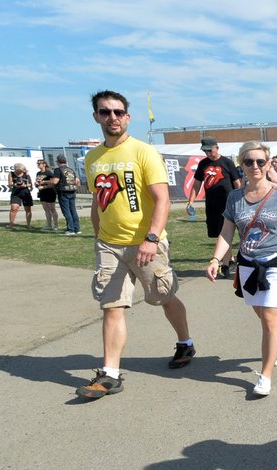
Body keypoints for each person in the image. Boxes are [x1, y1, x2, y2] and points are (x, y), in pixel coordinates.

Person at [75, 90, 195, 400]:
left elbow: (162, 199)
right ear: (96, 117)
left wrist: (152, 239)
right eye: (105, 112)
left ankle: (185, 342)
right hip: (109, 245)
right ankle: (110, 374)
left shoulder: (143, 152)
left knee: (164, 297)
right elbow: (98, 203)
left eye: (117, 112)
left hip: (146, 243)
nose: (112, 117)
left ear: (127, 117)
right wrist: (98, 235)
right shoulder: (92, 158)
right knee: (112, 306)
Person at [205, 141, 277, 397]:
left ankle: (265, 376)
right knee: (261, 312)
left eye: (261, 161)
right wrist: (216, 259)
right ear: (242, 165)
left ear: (269, 164)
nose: (255, 166)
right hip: (247, 265)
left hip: (274, 264)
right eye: (249, 162)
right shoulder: (235, 198)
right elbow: (227, 232)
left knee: (269, 318)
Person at [185, 137, 242, 239]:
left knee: (233, 232)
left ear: (217, 148)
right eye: (205, 151)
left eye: (210, 150)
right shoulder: (203, 164)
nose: (208, 153)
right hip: (212, 205)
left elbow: (237, 183)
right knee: (217, 234)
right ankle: (225, 255)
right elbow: (196, 185)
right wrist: (190, 202)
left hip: (228, 204)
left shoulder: (227, 162)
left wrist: (241, 200)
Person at [52, 155, 82, 236]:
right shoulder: (70, 170)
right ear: (66, 161)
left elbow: (55, 181)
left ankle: (70, 229)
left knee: (66, 211)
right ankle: (77, 229)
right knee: (73, 210)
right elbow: (77, 181)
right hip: (72, 191)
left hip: (63, 192)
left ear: (58, 162)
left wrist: (46, 182)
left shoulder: (58, 170)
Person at [35, 159, 60, 232]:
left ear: (44, 164)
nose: (38, 165)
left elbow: (53, 184)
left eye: (40, 163)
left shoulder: (49, 173)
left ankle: (56, 225)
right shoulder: (38, 173)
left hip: (50, 192)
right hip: (42, 193)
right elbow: (38, 182)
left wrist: (44, 187)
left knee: (52, 209)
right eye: (38, 163)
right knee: (46, 209)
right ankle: (49, 225)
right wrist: (37, 184)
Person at [7, 163, 33, 230]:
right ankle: (11, 224)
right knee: (14, 208)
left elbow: (30, 184)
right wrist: (15, 185)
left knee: (28, 209)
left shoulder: (26, 174)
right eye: (18, 171)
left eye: (20, 171)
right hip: (16, 192)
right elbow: (9, 184)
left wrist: (25, 185)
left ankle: (28, 225)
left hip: (25, 192)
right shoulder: (11, 174)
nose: (19, 172)